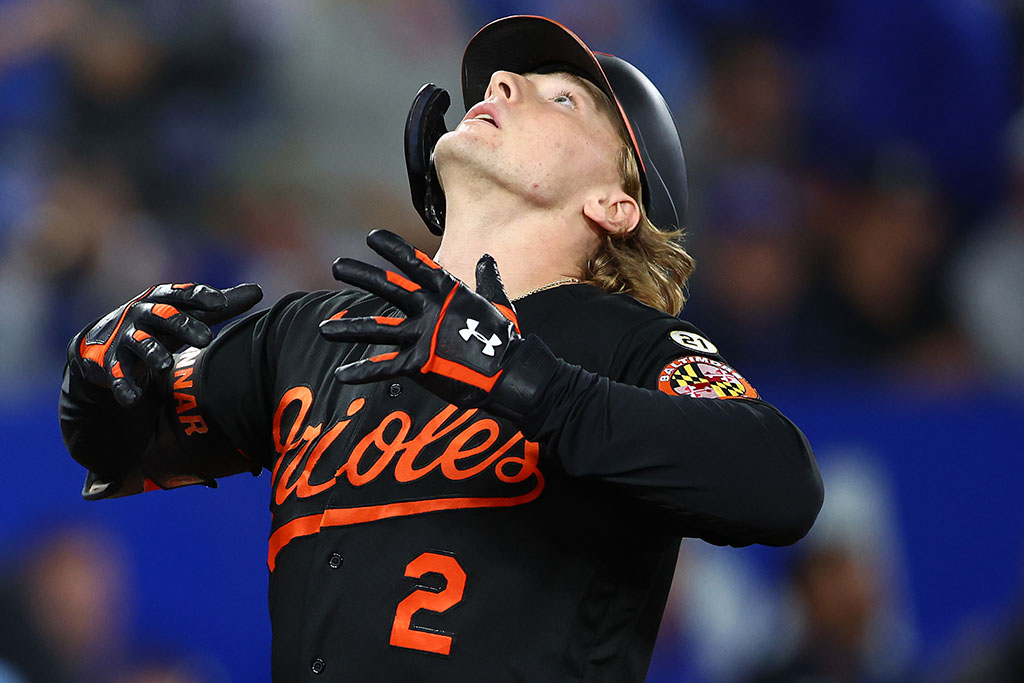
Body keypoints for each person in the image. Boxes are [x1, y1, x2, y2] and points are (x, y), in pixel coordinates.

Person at [59, 15, 823, 682]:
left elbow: (781, 481)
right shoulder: (319, 329)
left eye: (560, 97)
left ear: (615, 204)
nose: (502, 84)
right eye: (504, 81)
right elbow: (123, 444)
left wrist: (531, 384)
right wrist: (97, 376)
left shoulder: (625, 342)